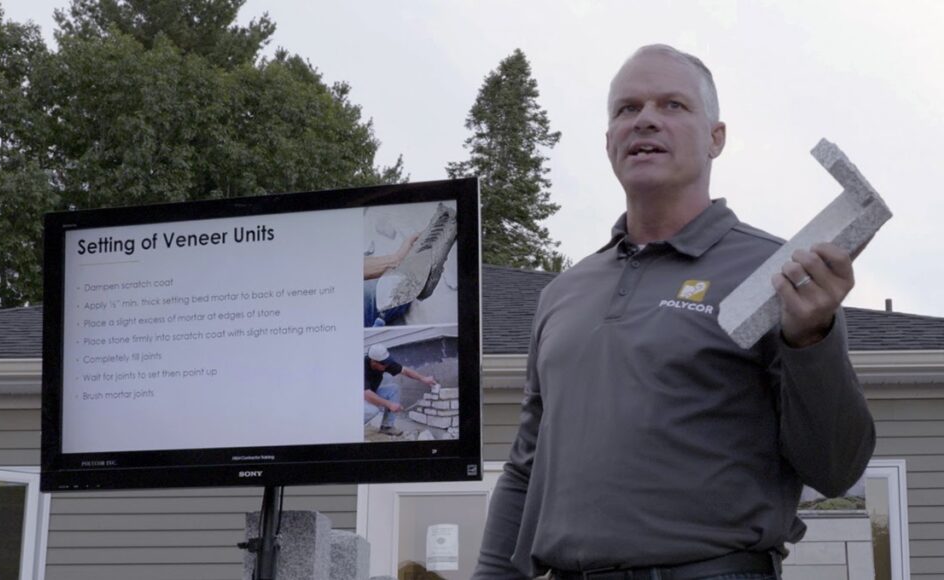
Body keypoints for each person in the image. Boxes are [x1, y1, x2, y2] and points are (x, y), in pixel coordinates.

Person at [473, 45, 876, 580]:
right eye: (627, 108)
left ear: (716, 138)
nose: (645, 120)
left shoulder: (779, 275)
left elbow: (836, 467)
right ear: (609, 141)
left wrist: (811, 341)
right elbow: (526, 467)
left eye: (673, 105)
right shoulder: (564, 293)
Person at [364, 343, 437, 436]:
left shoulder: (384, 362)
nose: (387, 365)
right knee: (373, 410)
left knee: (394, 389)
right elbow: (366, 394)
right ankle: (351, 429)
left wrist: (423, 378)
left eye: (387, 362)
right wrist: (390, 404)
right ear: (374, 362)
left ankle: (387, 427)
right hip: (356, 399)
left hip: (370, 392)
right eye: (384, 364)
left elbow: (405, 371)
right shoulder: (361, 367)